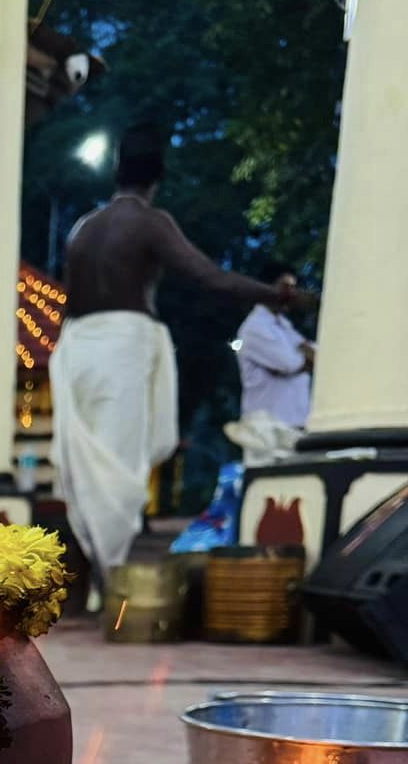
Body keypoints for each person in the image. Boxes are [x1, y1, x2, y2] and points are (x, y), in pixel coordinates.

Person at [50, 127, 309, 591]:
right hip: (121, 348)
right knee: (119, 466)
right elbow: (209, 277)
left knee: (91, 465)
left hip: (75, 349)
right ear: (158, 180)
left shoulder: (83, 227)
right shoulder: (150, 222)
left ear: (116, 173)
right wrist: (277, 296)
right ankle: (113, 584)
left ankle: (97, 580)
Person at [235, 262, 314, 431]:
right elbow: (288, 364)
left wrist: (304, 359)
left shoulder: (284, 326)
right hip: (266, 431)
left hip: (295, 427)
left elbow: (317, 356)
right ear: (266, 288)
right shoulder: (255, 327)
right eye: (285, 287)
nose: (292, 294)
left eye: (294, 288)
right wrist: (304, 359)